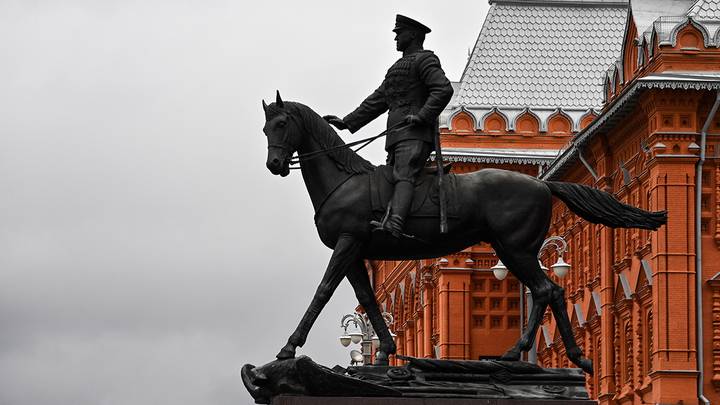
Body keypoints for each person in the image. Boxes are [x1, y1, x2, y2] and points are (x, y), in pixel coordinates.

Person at [324, 14, 454, 238]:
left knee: (404, 174)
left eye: (399, 33)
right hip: (396, 135)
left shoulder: (425, 60)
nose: (396, 38)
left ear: (412, 35)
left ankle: (395, 223)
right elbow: (378, 99)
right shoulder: (397, 67)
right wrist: (348, 121)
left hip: (415, 133)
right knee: (392, 177)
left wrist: (422, 116)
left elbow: (443, 89)